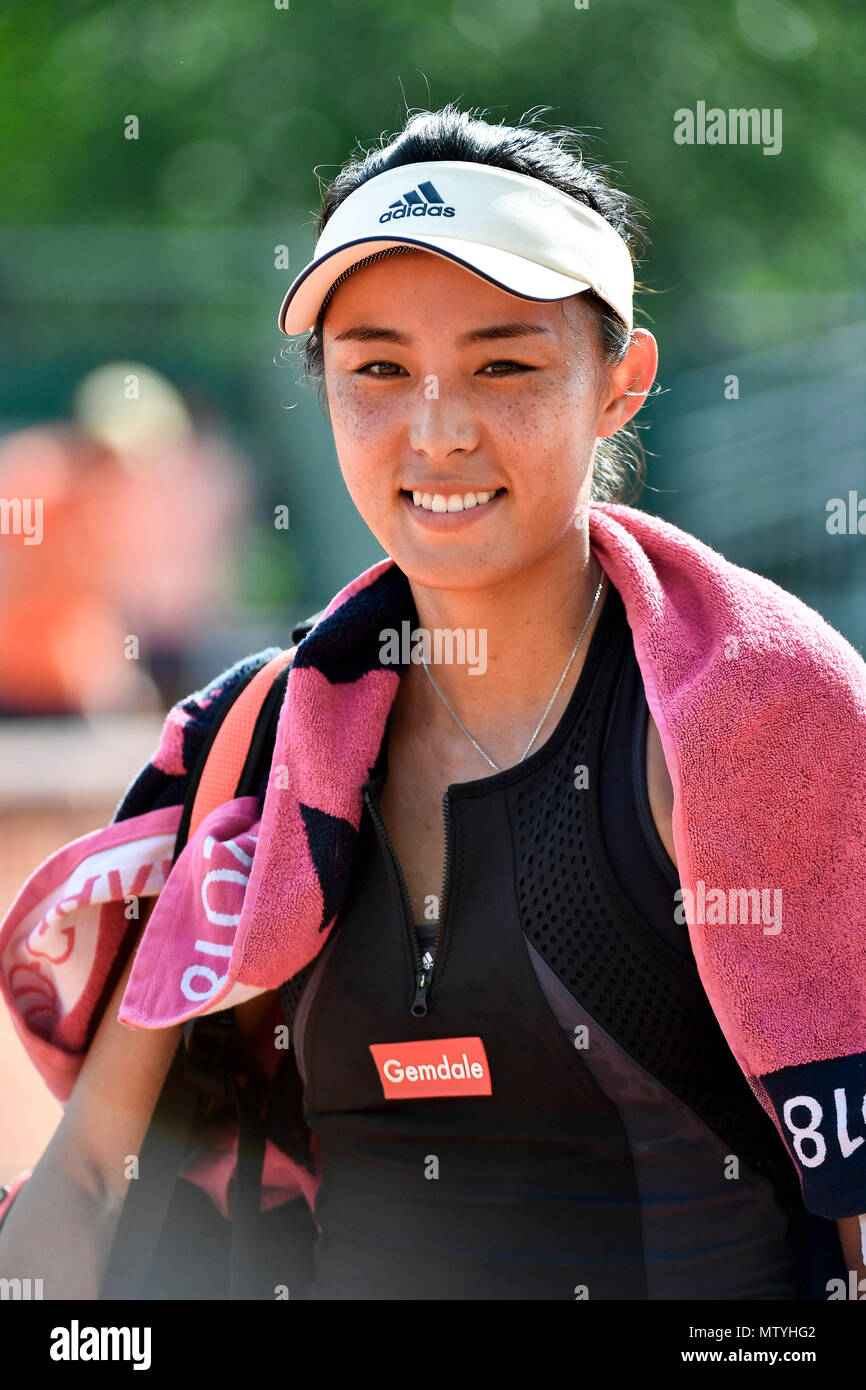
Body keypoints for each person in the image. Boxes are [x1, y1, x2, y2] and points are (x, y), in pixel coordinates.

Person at [1, 104, 865, 1301]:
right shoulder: (257, 741)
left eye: (502, 364)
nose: (436, 427)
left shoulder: (754, 715)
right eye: (377, 370)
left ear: (620, 383)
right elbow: (88, 1180)